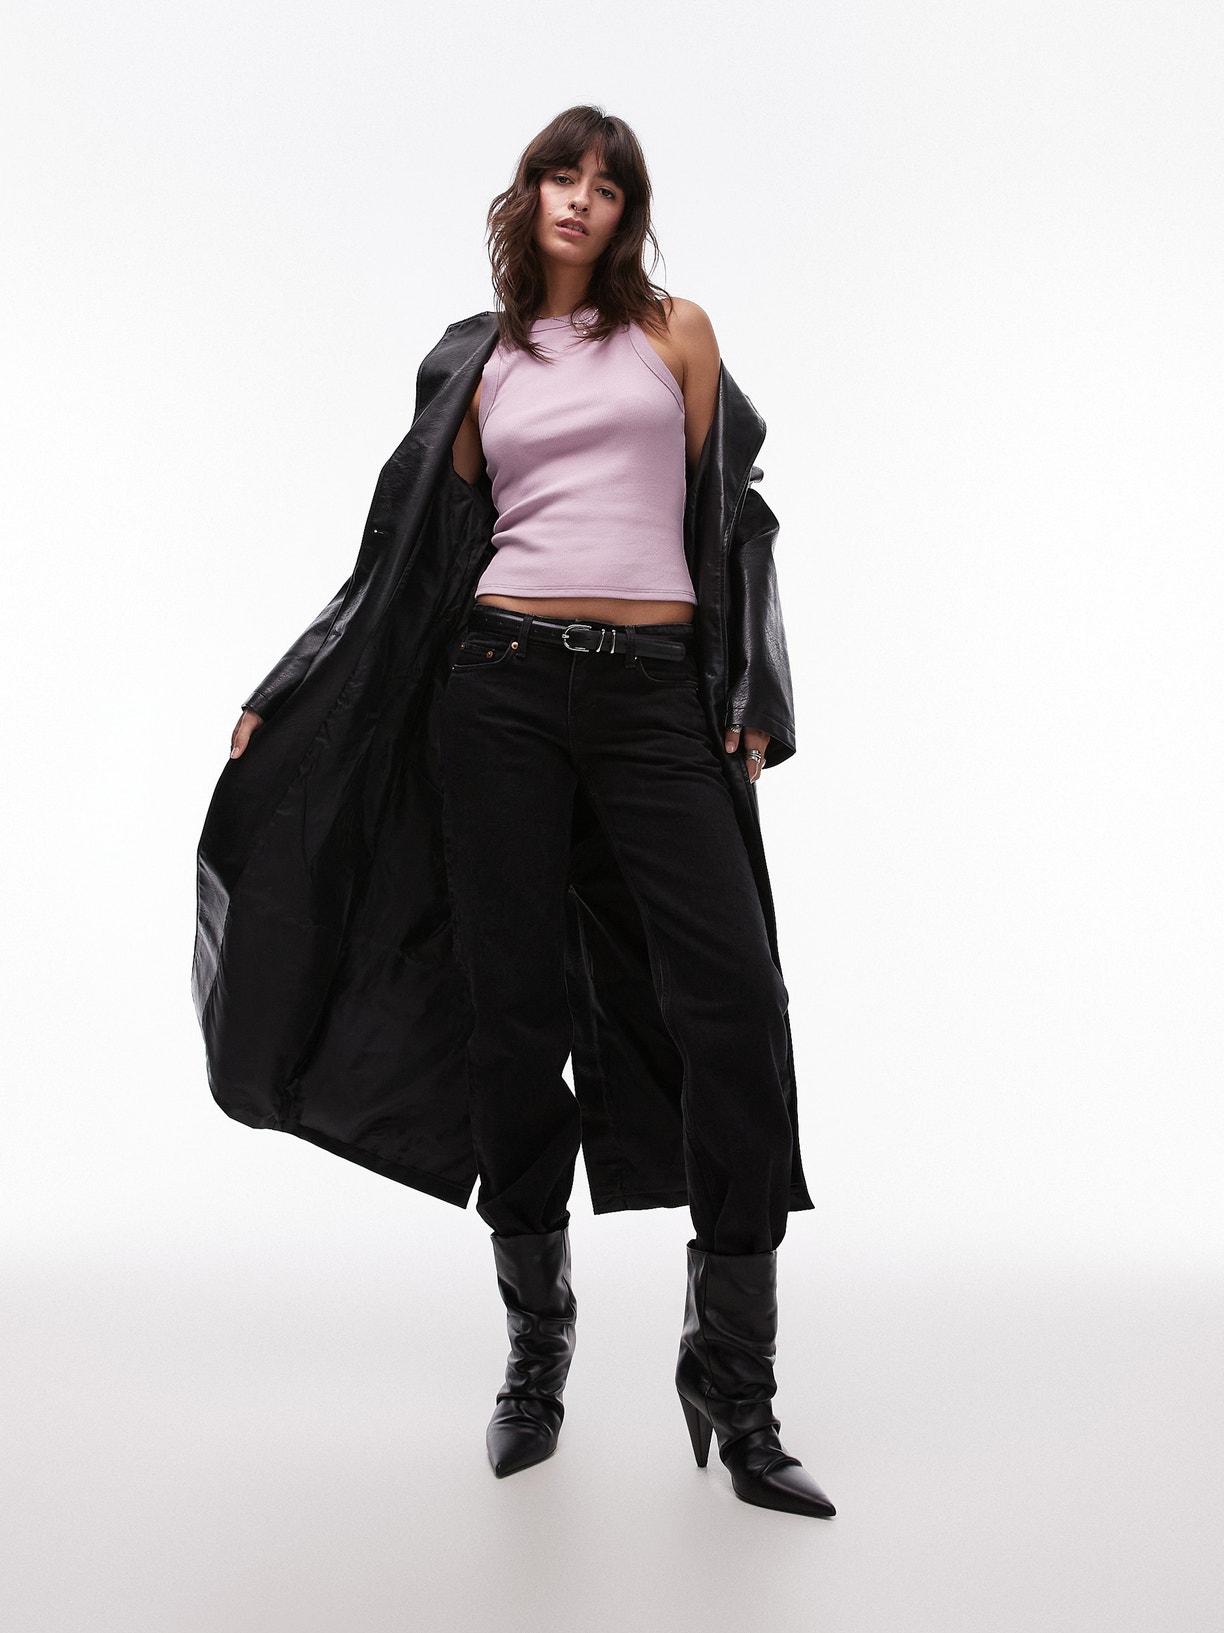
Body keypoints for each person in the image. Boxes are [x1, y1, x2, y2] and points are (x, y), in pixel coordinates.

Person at [215, 105, 833, 1520]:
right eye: (563, 174)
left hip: (655, 699)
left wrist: (752, 687)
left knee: (736, 1003)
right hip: (495, 691)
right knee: (512, 1021)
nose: (581, 198)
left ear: (628, 214)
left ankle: (734, 1382)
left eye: (608, 185)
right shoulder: (477, 357)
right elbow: (403, 563)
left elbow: (735, 519)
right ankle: (536, 1350)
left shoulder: (676, 334)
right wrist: (295, 687)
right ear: (529, 193)